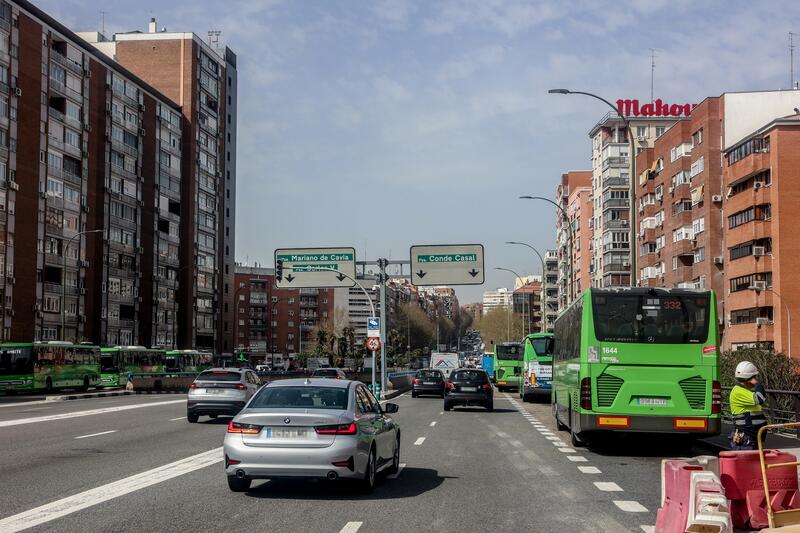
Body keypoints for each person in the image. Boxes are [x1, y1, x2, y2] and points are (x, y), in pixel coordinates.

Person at [728, 361, 768, 450]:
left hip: (751, 436)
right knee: (746, 463)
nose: (756, 380)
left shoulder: (745, 391)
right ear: (750, 379)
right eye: (754, 378)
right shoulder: (738, 391)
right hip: (746, 437)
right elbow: (760, 399)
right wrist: (757, 384)